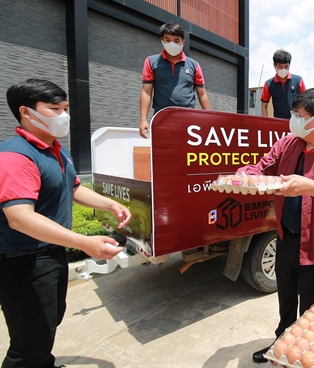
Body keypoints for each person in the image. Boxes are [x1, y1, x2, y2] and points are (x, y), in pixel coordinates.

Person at [0, 78, 132, 368]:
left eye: (66, 108)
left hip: (51, 253)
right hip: (24, 261)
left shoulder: (57, 149)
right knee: (29, 343)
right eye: (54, 109)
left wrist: (110, 203)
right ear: (26, 111)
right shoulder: (15, 156)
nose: (64, 116)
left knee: (48, 323)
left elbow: (72, 188)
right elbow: (20, 217)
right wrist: (84, 242)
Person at [239, 88, 314, 363]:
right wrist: (246, 174)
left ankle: (305, 356)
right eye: (294, 113)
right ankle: (281, 343)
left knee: (312, 309)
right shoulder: (288, 144)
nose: (293, 119)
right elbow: (263, 167)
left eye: (299, 115)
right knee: (285, 301)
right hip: (285, 239)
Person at [139, 21, 210, 138]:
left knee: (186, 149)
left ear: (183, 42)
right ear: (162, 40)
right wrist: (143, 120)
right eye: (167, 40)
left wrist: (209, 119)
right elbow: (146, 91)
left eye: (176, 41)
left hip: (188, 120)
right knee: (162, 149)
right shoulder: (151, 62)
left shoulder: (194, 65)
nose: (172, 44)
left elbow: (202, 94)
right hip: (161, 118)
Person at [260, 49, 306, 119]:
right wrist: (265, 122)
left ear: (289, 65)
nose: (283, 69)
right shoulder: (269, 84)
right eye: (280, 67)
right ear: (274, 65)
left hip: (296, 121)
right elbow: (264, 105)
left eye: (286, 66)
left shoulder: (298, 81)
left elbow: (305, 102)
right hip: (278, 121)